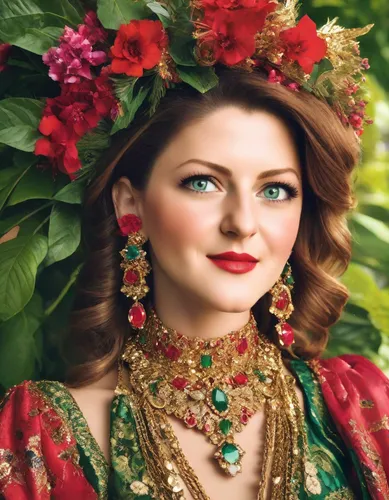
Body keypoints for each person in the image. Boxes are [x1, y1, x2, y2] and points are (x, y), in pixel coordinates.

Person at [0, 1, 388, 499]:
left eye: (275, 191)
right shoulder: (48, 440)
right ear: (128, 205)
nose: (243, 224)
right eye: (203, 182)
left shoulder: (358, 408)